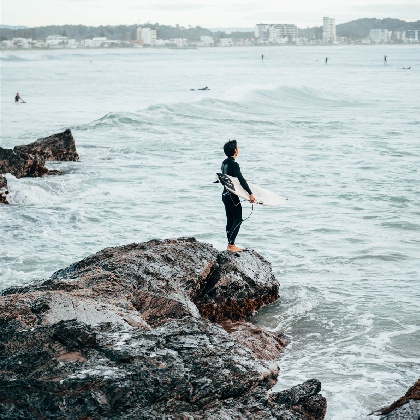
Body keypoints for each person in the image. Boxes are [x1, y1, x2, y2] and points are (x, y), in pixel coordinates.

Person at [221, 140, 255, 252]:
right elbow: (240, 180)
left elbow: (227, 179)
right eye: (237, 147)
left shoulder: (224, 163)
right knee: (238, 219)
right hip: (232, 196)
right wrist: (250, 194)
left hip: (225, 194)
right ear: (235, 150)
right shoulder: (234, 164)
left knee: (230, 220)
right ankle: (231, 245)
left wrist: (239, 180)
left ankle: (230, 244)